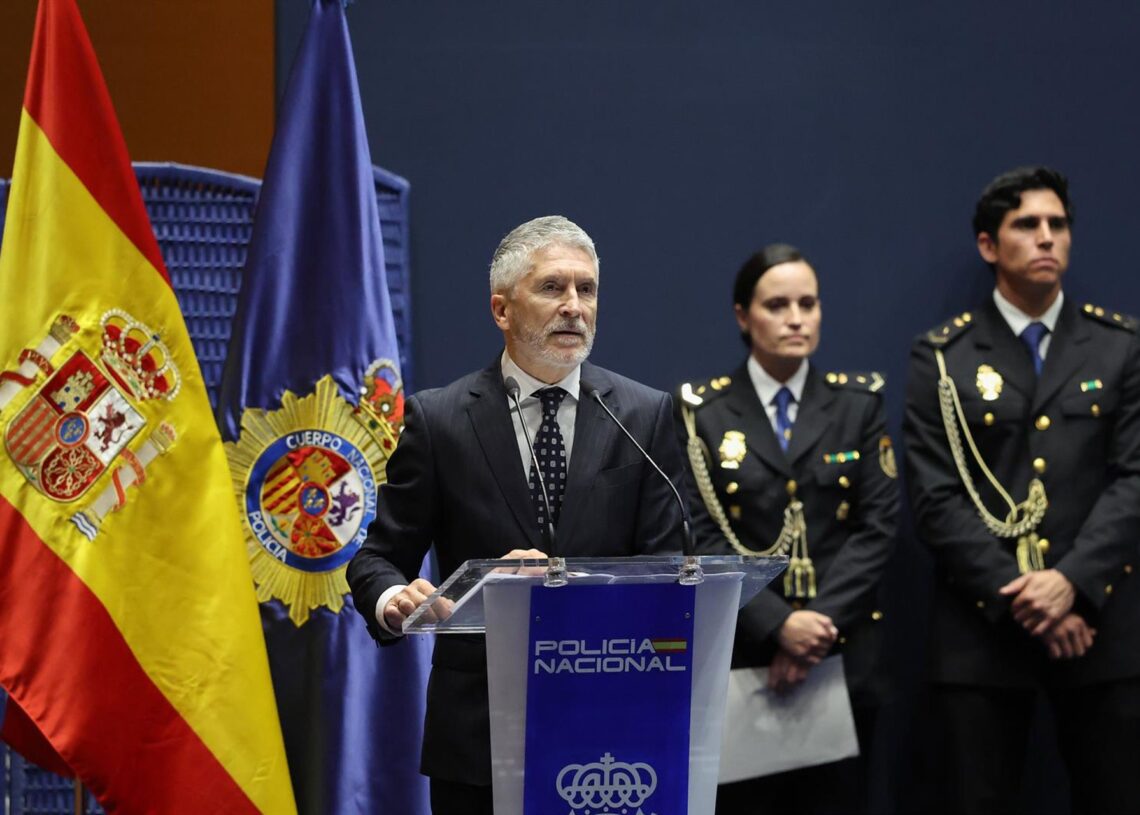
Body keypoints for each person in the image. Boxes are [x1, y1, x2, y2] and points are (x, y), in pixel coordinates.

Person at [346, 215, 687, 814]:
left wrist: (565, 583)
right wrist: (395, 598)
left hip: (610, 727)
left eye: (587, 289)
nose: (575, 306)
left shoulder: (643, 415)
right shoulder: (440, 419)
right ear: (502, 310)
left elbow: (666, 571)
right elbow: (377, 558)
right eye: (553, 287)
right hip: (478, 734)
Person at [903, 166, 1140, 815]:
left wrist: (1071, 584)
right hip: (983, 633)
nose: (1046, 238)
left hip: (1100, 625)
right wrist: (1027, 599)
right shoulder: (943, 356)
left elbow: (1134, 478)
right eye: (1027, 224)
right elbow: (934, 498)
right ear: (989, 244)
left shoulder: (1120, 346)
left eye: (1057, 224)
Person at [678, 244, 897, 814]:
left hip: (842, 650)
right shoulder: (702, 413)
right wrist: (779, 626)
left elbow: (876, 527)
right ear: (743, 316)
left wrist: (813, 631)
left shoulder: (857, 404)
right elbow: (700, 535)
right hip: (746, 655)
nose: (796, 318)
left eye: (808, 303)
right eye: (777, 305)